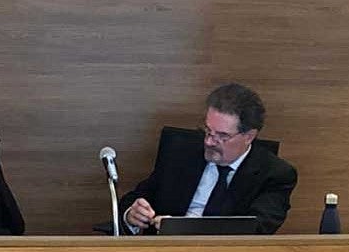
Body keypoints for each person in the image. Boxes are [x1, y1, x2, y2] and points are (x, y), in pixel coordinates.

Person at [120, 83, 297, 235]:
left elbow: (255, 229)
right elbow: (136, 198)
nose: (209, 141)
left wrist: (181, 229)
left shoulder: (275, 174)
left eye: (222, 136)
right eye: (207, 130)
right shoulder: (180, 154)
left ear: (249, 136)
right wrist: (131, 214)